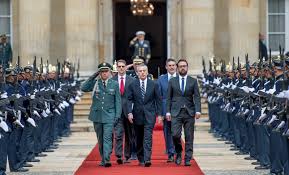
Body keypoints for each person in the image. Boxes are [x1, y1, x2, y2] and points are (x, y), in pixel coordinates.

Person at [81, 62, 121, 167]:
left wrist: (117, 115)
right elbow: (83, 88)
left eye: (106, 71)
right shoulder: (95, 83)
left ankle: (107, 159)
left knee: (107, 137)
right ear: (99, 73)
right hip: (97, 115)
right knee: (101, 139)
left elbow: (118, 101)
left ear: (110, 72)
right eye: (102, 71)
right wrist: (94, 75)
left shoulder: (114, 84)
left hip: (109, 115)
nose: (104, 73)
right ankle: (103, 158)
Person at [166, 59, 201, 166]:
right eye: (180, 66)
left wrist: (198, 110)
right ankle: (179, 152)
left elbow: (197, 97)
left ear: (187, 67)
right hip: (176, 112)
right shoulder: (172, 81)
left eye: (184, 66)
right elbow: (168, 97)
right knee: (175, 134)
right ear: (177, 68)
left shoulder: (193, 81)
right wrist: (167, 112)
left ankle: (187, 158)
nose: (182, 68)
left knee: (189, 136)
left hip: (189, 112)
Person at [127, 64, 161, 167]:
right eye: (140, 71)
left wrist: (159, 114)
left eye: (144, 71)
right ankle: (140, 157)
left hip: (150, 114)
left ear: (147, 72)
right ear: (137, 73)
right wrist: (129, 112)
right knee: (139, 137)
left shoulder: (154, 84)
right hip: (137, 115)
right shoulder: (132, 84)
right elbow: (129, 99)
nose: (142, 73)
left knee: (147, 137)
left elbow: (158, 100)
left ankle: (147, 159)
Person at [112, 59, 135, 164]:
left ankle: (127, 155)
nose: (121, 68)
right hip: (117, 112)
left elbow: (135, 96)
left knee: (129, 135)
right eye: (119, 66)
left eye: (123, 66)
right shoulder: (112, 80)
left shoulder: (132, 80)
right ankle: (119, 155)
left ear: (126, 67)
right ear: (116, 68)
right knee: (119, 133)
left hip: (129, 111)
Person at [157, 58, 177, 163]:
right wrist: (160, 113)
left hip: (179, 111)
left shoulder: (180, 78)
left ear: (176, 67)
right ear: (166, 67)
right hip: (166, 110)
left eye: (173, 65)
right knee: (167, 132)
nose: (172, 67)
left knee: (177, 132)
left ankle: (177, 151)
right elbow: (159, 98)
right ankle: (170, 153)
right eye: (169, 65)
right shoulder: (161, 79)